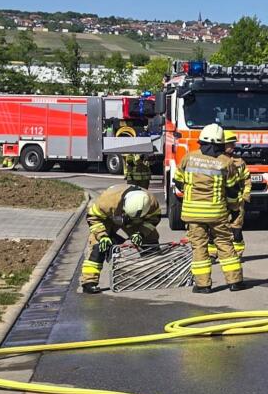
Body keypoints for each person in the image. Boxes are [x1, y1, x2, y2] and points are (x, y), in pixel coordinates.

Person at [177, 123, 246, 293]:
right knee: (224, 243)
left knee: (199, 247)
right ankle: (235, 282)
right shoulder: (226, 162)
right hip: (216, 212)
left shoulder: (188, 158)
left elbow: (178, 181)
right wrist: (234, 208)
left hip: (192, 212)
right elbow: (232, 189)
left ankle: (203, 285)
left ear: (201, 141)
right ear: (221, 143)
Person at [80, 185, 160, 295]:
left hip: (137, 221)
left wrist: (141, 233)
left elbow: (154, 219)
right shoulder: (107, 201)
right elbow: (92, 217)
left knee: (150, 239)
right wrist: (102, 236)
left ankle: (155, 272)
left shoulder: (151, 202)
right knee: (98, 245)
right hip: (108, 218)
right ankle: (89, 282)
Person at [113, 120, 151, 189]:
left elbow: (135, 161)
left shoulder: (129, 148)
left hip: (135, 177)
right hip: (139, 177)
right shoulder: (139, 145)